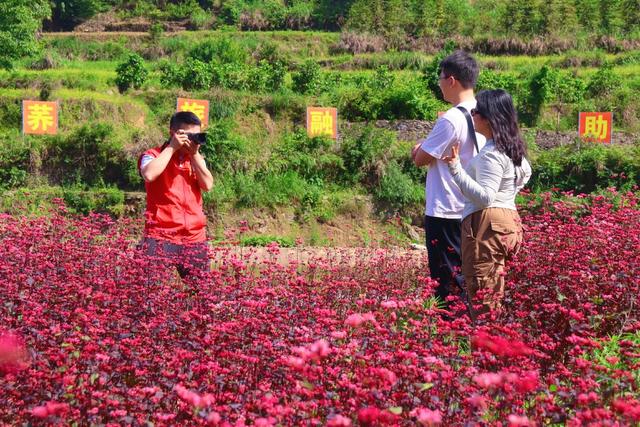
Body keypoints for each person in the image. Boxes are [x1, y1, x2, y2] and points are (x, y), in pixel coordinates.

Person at [443, 89, 531, 318]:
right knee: (498, 288)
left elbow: (484, 197)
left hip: (486, 224)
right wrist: (507, 196)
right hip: (508, 220)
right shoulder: (513, 151)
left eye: (476, 111)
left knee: (483, 291)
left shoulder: (491, 154)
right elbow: (525, 174)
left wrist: (455, 168)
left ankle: (486, 347)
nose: (472, 115)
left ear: (489, 117)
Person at [412, 50, 486, 307]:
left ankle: (451, 338)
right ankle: (470, 331)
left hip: (446, 210)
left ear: (451, 80)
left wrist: (419, 146)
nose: (440, 83)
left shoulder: (452, 119)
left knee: (447, 282)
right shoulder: (483, 112)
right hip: (474, 208)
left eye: (441, 77)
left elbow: (421, 158)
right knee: (471, 278)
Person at [137, 111, 214, 279]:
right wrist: (172, 147)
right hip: (160, 235)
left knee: (204, 293)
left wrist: (194, 154)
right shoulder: (153, 155)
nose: (193, 140)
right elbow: (149, 174)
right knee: (148, 292)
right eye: (188, 135)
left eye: (197, 135)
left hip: (194, 237)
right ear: (173, 133)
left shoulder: (195, 158)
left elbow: (208, 185)